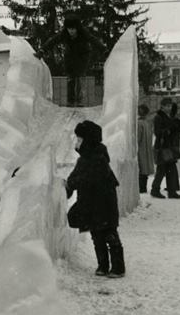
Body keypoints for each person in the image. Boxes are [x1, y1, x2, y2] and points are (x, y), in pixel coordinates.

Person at [65, 119, 125, 278]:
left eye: (80, 139)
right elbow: (75, 177)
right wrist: (67, 186)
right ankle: (103, 265)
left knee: (109, 234)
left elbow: (89, 178)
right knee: (96, 236)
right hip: (92, 205)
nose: (77, 142)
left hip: (104, 204)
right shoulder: (83, 159)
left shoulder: (99, 157)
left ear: (88, 140)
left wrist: (74, 183)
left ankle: (118, 267)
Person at [47, 16, 99, 106]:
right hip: (69, 56)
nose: (71, 31)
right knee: (70, 78)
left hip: (83, 55)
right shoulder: (64, 33)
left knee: (79, 76)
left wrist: (104, 50)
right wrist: (42, 50)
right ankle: (70, 101)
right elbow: (53, 40)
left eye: (73, 29)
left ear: (77, 28)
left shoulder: (83, 33)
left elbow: (93, 40)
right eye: (69, 29)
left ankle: (79, 100)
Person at [151, 97, 180, 199]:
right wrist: (169, 130)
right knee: (162, 169)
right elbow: (158, 132)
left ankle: (171, 191)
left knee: (170, 169)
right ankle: (155, 190)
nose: (169, 108)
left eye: (170, 106)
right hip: (163, 147)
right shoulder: (159, 117)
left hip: (169, 146)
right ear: (162, 106)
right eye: (167, 106)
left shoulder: (168, 116)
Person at [136, 103, 155, 194]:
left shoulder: (139, 123)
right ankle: (143, 188)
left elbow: (137, 138)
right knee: (145, 170)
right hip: (147, 149)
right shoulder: (148, 123)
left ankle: (141, 188)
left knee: (141, 169)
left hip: (141, 149)